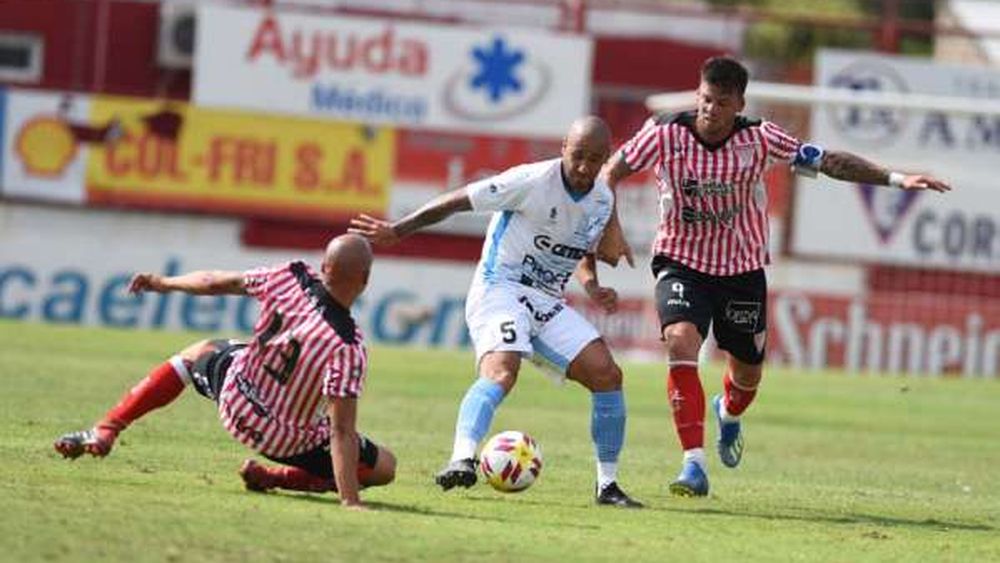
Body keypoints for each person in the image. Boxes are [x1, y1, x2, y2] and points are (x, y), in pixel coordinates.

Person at [598, 56, 951, 497]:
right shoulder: (664, 132)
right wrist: (609, 229)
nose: (710, 110)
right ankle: (693, 464)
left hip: (741, 269)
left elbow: (827, 161)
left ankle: (728, 414)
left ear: (739, 104)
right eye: (705, 99)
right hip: (681, 260)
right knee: (681, 340)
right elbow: (610, 173)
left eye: (721, 103)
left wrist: (896, 179)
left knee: (747, 377)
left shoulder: (761, 138)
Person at [349, 116, 643, 508]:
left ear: (606, 158)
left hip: (547, 302)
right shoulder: (530, 180)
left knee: (608, 375)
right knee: (503, 371)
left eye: (594, 159)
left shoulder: (602, 200)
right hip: (499, 289)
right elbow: (458, 200)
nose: (584, 167)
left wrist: (592, 286)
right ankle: (462, 458)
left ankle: (607, 486)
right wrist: (398, 230)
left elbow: (580, 250)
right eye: (577, 156)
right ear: (563, 148)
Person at [53, 234, 396, 510]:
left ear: (324, 266)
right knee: (383, 467)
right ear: (365, 280)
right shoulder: (348, 345)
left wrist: (162, 282)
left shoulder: (291, 277)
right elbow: (341, 431)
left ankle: (108, 427)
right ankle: (278, 477)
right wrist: (350, 500)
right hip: (285, 441)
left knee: (198, 353)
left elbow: (215, 281)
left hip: (234, 398)